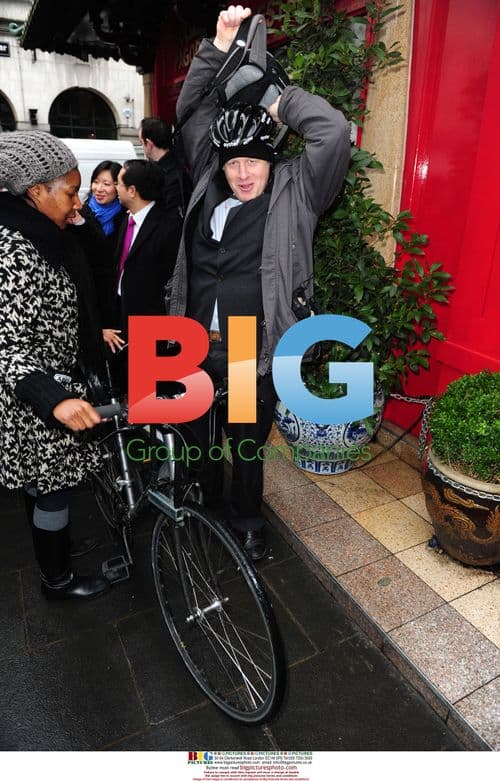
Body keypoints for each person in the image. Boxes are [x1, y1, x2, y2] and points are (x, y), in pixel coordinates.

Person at [167, 5, 351, 561]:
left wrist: (276, 100)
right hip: (194, 339)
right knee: (197, 437)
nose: (242, 173)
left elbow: (332, 130)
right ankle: (203, 505)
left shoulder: (300, 192)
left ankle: (247, 522)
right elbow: (191, 112)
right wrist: (219, 47)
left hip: (252, 347)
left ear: (272, 159)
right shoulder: (209, 180)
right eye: (233, 164)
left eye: (253, 162)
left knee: (245, 445)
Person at [0, 131, 110, 601]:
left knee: (42, 485)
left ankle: (55, 546)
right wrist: (56, 400)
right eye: (71, 192)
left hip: (50, 383)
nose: (78, 202)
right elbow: (6, 344)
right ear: (35, 191)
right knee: (52, 489)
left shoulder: (40, 232)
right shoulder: (14, 249)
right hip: (36, 396)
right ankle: (57, 579)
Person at [113, 159, 182, 339]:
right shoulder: (126, 219)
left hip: (149, 322)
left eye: (118, 183)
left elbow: (170, 282)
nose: (115, 188)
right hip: (121, 312)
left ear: (132, 191)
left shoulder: (168, 228)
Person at [68, 160, 126, 354]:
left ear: (118, 187)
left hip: (110, 294)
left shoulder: (124, 218)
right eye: (95, 182)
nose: (99, 189)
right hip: (83, 289)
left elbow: (109, 255)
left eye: (106, 184)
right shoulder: (78, 212)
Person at [139, 116, 191, 215]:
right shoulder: (178, 165)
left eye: (141, 143)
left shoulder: (170, 176)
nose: (142, 148)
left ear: (149, 144)